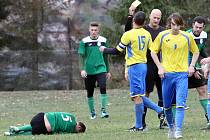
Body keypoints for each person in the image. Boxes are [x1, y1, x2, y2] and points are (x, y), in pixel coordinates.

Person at [99, 11, 165, 131]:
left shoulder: (128, 34)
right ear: (144, 22)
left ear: (134, 20)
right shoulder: (147, 34)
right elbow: (152, 49)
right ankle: (157, 112)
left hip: (134, 66)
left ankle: (141, 125)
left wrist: (104, 50)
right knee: (137, 96)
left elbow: (117, 51)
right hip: (144, 66)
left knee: (136, 96)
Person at [150, 13, 199, 139]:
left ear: (181, 25)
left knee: (180, 103)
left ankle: (178, 130)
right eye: (173, 24)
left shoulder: (187, 37)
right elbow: (153, 52)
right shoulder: (163, 35)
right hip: (167, 75)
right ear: (169, 24)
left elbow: (196, 52)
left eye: (177, 25)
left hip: (182, 75)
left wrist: (192, 66)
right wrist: (160, 67)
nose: (175, 27)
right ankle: (171, 126)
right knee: (166, 106)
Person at [125, 6, 165, 129]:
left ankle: (163, 121)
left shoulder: (163, 31)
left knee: (162, 94)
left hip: (160, 66)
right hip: (146, 66)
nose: (156, 20)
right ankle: (142, 122)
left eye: (158, 18)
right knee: (144, 94)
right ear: (149, 17)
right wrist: (130, 16)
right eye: (154, 17)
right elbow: (128, 33)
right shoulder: (144, 29)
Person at [78, 21, 111, 119]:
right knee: (90, 91)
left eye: (95, 30)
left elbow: (106, 56)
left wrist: (108, 70)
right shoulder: (84, 42)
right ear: (89, 30)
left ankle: (103, 111)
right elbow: (81, 56)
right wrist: (82, 69)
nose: (93, 32)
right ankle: (92, 113)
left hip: (101, 68)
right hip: (89, 70)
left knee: (103, 86)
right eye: (92, 30)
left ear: (98, 30)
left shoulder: (104, 40)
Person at [187, 16, 208, 122]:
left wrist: (207, 61)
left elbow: (201, 50)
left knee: (203, 89)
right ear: (192, 25)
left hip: (194, 66)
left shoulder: (204, 35)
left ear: (203, 27)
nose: (198, 29)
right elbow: (184, 54)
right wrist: (193, 68)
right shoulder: (186, 35)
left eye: (200, 27)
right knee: (177, 93)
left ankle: (208, 117)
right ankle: (173, 122)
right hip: (184, 67)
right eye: (196, 27)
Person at [4, 112, 86, 136]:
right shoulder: (71, 129)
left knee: (34, 126)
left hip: (43, 116)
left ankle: (18, 128)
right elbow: (59, 133)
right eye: (78, 131)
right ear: (78, 127)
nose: (76, 132)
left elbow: (59, 113)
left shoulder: (71, 116)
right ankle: (13, 135)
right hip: (48, 126)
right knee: (36, 131)